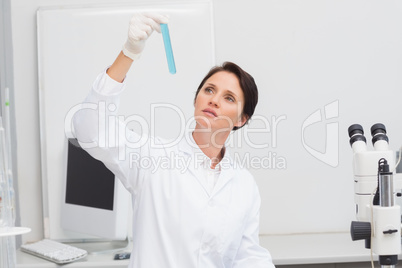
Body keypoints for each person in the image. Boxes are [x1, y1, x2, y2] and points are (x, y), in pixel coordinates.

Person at [73, 13, 275, 268]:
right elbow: (91, 129)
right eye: (209, 90)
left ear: (241, 120)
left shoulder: (244, 185)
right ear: (196, 99)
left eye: (229, 98)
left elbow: (248, 257)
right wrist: (129, 52)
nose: (213, 99)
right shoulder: (152, 157)